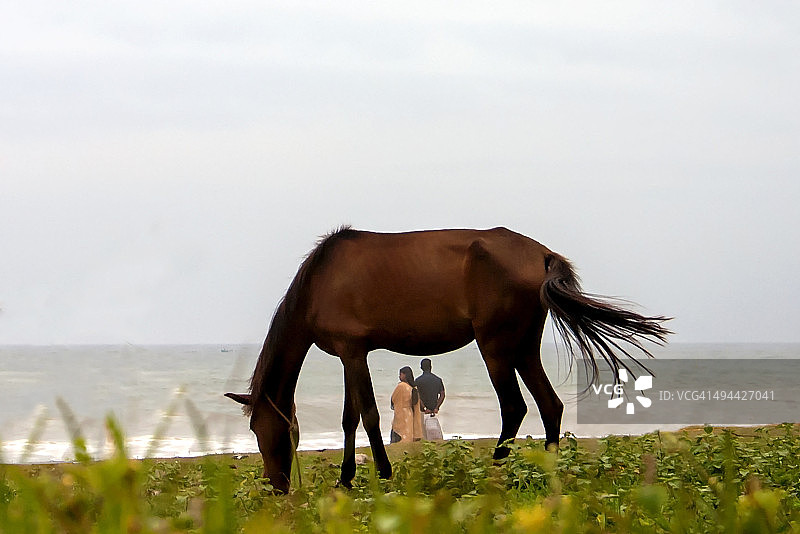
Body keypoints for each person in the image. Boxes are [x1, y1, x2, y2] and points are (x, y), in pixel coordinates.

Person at [390, 366, 423, 443]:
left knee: (399, 435)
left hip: (401, 414)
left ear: (404, 375)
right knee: (408, 434)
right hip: (409, 414)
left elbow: (393, 398)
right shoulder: (413, 388)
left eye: (400, 374)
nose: (399, 376)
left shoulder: (401, 386)